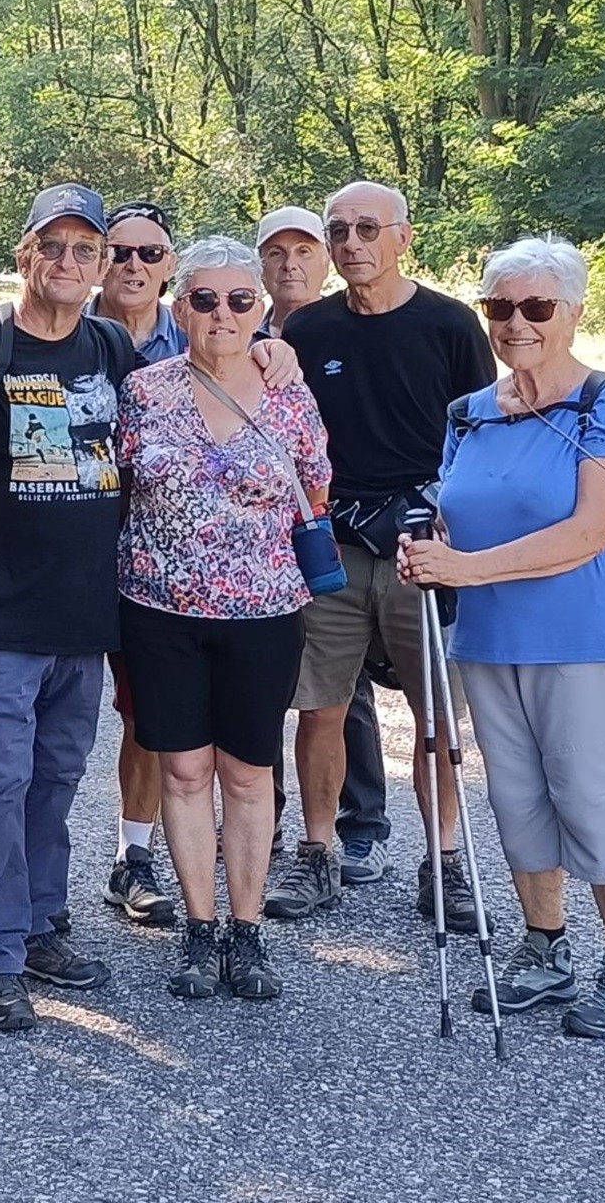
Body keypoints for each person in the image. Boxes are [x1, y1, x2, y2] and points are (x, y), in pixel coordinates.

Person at [402, 235, 605, 1039]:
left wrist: (465, 568)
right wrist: (426, 541)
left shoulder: (603, 403)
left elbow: (588, 532)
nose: (517, 323)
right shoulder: (469, 414)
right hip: (487, 640)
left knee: (585, 795)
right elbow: (458, 510)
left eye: (537, 307)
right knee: (515, 798)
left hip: (579, 638)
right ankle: (544, 951)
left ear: (573, 313)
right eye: (500, 307)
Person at [0, 184, 135, 1031]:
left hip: (85, 618)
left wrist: (275, 355)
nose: (68, 263)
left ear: (103, 264)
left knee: (55, 779)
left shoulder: (113, 349)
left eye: (86, 250)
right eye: (54, 247)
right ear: (25, 255)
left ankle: (41, 923)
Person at [272, 181, 496, 928]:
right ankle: (317, 853)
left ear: (404, 237)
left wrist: (453, 527)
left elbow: (480, 434)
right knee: (321, 708)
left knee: (435, 718)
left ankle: (448, 863)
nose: (351, 244)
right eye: (339, 230)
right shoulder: (309, 331)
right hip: (333, 544)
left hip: (422, 543)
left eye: (369, 228)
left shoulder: (450, 325)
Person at [116, 237, 331, 1001]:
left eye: (240, 301)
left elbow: (317, 488)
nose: (223, 314)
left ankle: (247, 933)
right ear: (181, 310)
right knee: (181, 770)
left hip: (264, 611)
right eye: (205, 300)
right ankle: (199, 931)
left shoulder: (289, 395)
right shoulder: (143, 392)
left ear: (260, 311)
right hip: (159, 609)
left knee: (247, 772)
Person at [256, 206, 391, 885]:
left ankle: (360, 821)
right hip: (259, 543)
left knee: (344, 690)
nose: (290, 265)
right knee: (274, 683)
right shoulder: (234, 329)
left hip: (342, 534)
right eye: (275, 253)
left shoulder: (353, 326)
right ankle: (267, 822)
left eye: (303, 250)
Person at [92, 200, 182, 928]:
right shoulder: (56, 331)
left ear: (170, 266)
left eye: (149, 254)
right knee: (39, 720)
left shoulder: (207, 341)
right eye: (118, 252)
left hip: (156, 560)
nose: (133, 267)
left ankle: (134, 857)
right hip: (65, 552)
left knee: (148, 717)